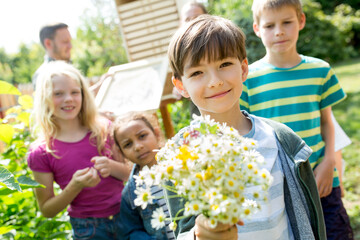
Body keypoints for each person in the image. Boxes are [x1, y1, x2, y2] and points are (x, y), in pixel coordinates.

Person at [168, 14, 325, 240]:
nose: (215, 81)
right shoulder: (178, 156)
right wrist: (199, 234)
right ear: (181, 85)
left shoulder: (280, 139)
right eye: (197, 73)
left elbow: (310, 218)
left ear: (243, 69)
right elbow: (181, 230)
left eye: (224, 64)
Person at [239, 0, 353, 239]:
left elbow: (327, 122)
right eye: (269, 25)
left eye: (287, 22)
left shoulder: (321, 71)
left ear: (301, 21)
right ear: (257, 29)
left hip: (321, 177)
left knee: (336, 233)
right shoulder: (247, 81)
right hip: (278, 184)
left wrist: (329, 161)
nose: (279, 31)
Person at [27, 61, 131, 239]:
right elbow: (46, 209)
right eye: (58, 93)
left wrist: (111, 166)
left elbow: (130, 174)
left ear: (83, 95)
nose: (68, 98)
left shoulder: (103, 129)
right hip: (88, 228)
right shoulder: (41, 152)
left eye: (75, 92)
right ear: (44, 98)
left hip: (128, 215)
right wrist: (75, 186)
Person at [113, 112, 175, 240]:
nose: (138, 146)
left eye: (142, 136)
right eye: (128, 144)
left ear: (157, 134)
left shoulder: (180, 166)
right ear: (122, 152)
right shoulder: (130, 194)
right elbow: (131, 231)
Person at [172, 1, 208, 117]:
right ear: (180, 23)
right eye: (188, 19)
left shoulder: (218, 42)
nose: (193, 23)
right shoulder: (179, 51)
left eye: (198, 18)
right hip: (199, 108)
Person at [32, 22, 72, 88]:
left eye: (70, 41)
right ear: (48, 43)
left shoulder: (70, 68)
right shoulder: (42, 76)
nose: (70, 46)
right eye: (65, 41)